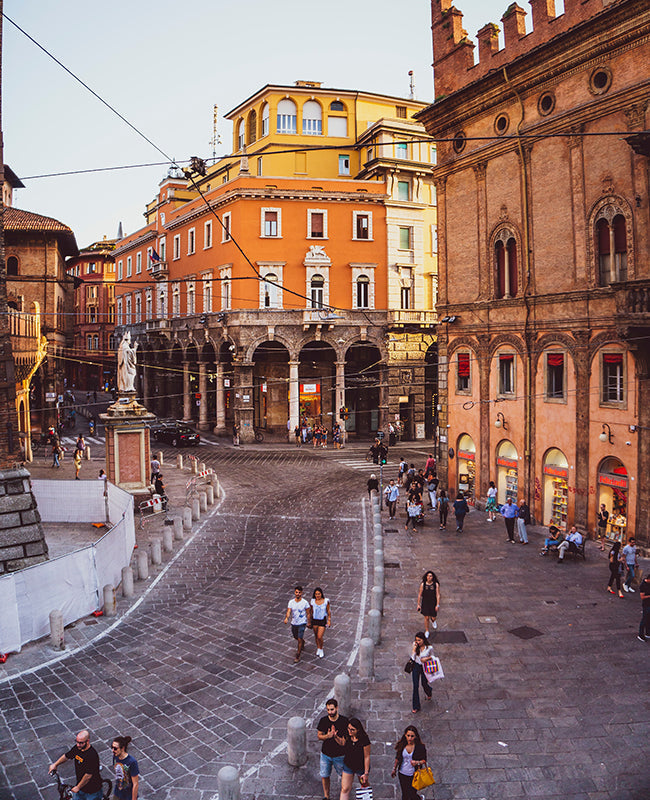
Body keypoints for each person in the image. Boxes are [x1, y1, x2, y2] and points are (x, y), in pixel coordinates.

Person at [49, 730, 103, 800]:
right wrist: (55, 764)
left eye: (81, 743)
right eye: (77, 742)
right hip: (80, 787)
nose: (78, 745)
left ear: (87, 741)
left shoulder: (92, 755)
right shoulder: (78, 748)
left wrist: (78, 787)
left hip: (92, 791)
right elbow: (67, 756)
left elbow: (88, 776)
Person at [317, 699, 348, 800]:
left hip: (340, 755)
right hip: (325, 754)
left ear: (337, 708)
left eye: (332, 709)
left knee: (344, 776)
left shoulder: (344, 721)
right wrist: (328, 736)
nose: (330, 712)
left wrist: (335, 737)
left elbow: (344, 742)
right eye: (328, 710)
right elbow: (319, 736)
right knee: (324, 775)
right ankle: (326, 796)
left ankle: (344, 794)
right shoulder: (323, 721)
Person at [335, 717, 371, 800]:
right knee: (345, 789)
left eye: (352, 730)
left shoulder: (364, 739)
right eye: (348, 728)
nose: (349, 731)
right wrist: (336, 737)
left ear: (358, 730)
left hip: (361, 767)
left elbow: (367, 756)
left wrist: (366, 773)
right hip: (348, 765)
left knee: (364, 786)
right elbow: (343, 743)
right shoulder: (347, 735)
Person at [391, 725, 428, 800]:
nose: (410, 738)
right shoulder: (402, 745)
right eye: (408, 736)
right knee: (404, 793)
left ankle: (418, 798)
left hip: (414, 774)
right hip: (402, 773)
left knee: (412, 793)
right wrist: (394, 769)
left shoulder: (420, 747)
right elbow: (398, 758)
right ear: (405, 735)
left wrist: (417, 762)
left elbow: (424, 760)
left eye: (412, 736)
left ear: (415, 737)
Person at [283, 585, 311, 662]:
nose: (298, 594)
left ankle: (298, 655)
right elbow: (289, 611)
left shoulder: (305, 602)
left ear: (301, 593)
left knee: (299, 638)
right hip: (294, 623)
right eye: (296, 592)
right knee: (295, 636)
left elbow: (308, 613)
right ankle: (302, 642)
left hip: (302, 622)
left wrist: (309, 622)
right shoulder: (291, 602)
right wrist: (286, 618)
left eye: (299, 592)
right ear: (294, 592)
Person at [409, 632, 433, 712]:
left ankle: (429, 691)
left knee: (424, 683)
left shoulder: (429, 648)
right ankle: (416, 706)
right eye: (416, 640)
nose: (417, 642)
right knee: (415, 686)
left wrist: (426, 659)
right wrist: (414, 650)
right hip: (416, 666)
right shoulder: (415, 645)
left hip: (425, 667)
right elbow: (412, 658)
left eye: (419, 640)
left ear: (423, 640)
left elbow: (433, 657)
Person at [111, 735, 139, 800]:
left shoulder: (132, 762)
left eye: (115, 748)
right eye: (112, 747)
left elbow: (135, 784)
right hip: (118, 792)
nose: (113, 750)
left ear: (122, 748)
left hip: (128, 796)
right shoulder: (115, 756)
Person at [417, 571, 440, 637]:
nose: (429, 577)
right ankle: (427, 630)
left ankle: (433, 621)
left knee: (433, 617)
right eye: (428, 576)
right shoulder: (423, 584)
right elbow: (419, 594)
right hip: (425, 602)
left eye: (430, 576)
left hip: (433, 602)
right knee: (426, 617)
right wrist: (418, 604)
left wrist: (437, 604)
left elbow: (438, 595)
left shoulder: (435, 584)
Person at [310, 587, 331, 658]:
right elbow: (311, 611)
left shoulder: (326, 601)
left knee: (319, 636)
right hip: (315, 620)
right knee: (316, 636)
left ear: (321, 594)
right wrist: (309, 621)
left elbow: (328, 611)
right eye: (316, 594)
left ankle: (321, 648)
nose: (317, 595)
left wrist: (329, 620)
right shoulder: (312, 601)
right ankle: (318, 647)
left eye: (319, 594)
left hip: (322, 621)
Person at [637, 572, 650, 642]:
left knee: (649, 619)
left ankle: (648, 632)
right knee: (644, 619)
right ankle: (640, 634)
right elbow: (642, 597)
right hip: (646, 604)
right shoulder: (643, 585)